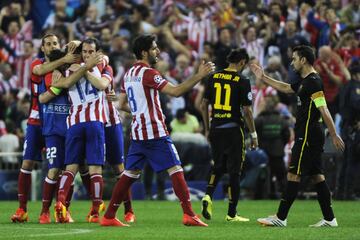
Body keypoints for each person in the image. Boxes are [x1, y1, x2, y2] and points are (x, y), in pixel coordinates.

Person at [100, 34, 214, 227]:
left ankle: (109, 215)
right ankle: (189, 214)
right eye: (154, 48)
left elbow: (121, 104)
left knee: (129, 175)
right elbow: (176, 91)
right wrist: (199, 76)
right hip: (154, 131)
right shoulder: (149, 73)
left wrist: (140, 111)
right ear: (144, 52)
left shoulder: (128, 74)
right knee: (176, 168)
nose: (158, 51)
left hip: (137, 132)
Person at [250, 45, 345, 227]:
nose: (292, 62)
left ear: (303, 60)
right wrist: (263, 78)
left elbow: (323, 108)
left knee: (294, 173)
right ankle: (330, 219)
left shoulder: (314, 81)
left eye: (294, 59)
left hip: (308, 134)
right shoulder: (304, 81)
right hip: (310, 134)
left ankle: (281, 217)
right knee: (317, 175)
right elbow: (285, 88)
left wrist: (334, 134)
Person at [10, 33, 77, 223]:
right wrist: (64, 59)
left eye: (55, 43)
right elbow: (40, 71)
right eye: (48, 44)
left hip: (57, 122)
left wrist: (72, 50)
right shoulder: (37, 65)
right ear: (42, 48)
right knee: (27, 164)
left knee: (61, 168)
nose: (52, 46)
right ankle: (22, 209)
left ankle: (60, 209)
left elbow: (96, 55)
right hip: (36, 121)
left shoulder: (65, 68)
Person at [51, 37, 108, 223]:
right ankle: (93, 211)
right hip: (92, 122)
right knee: (94, 169)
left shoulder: (71, 69)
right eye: (85, 51)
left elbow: (63, 83)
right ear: (81, 52)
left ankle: (60, 203)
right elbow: (100, 84)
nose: (88, 54)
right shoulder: (102, 66)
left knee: (70, 168)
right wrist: (87, 66)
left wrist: (81, 68)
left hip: (75, 122)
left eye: (91, 51)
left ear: (97, 52)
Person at [200, 48, 258, 222]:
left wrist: (207, 128)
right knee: (234, 171)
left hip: (216, 128)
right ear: (241, 62)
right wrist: (254, 133)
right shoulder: (242, 80)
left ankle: (208, 196)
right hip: (233, 129)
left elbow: (203, 105)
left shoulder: (213, 77)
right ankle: (232, 213)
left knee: (218, 165)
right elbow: (247, 111)